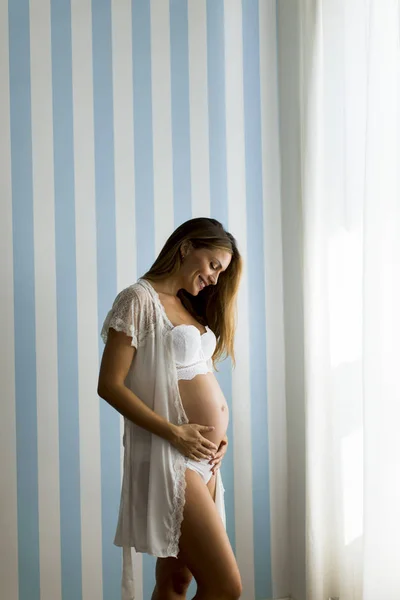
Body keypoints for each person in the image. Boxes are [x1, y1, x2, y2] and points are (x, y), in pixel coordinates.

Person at [98, 217, 243, 600]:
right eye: (213, 264)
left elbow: (194, 376)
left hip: (205, 459)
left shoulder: (186, 306)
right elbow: (109, 385)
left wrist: (220, 433)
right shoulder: (138, 300)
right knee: (226, 588)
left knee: (175, 582)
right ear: (185, 247)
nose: (214, 278)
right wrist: (176, 432)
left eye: (221, 271)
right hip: (171, 454)